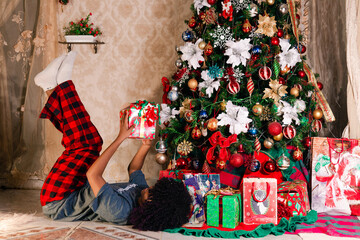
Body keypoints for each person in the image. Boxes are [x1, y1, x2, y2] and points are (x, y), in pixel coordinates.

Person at [35, 52, 192, 230]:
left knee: (88, 145)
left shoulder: (120, 211)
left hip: (58, 200)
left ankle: (59, 84)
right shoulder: (142, 193)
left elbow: (92, 175)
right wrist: (145, 146)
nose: (149, 190)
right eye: (155, 190)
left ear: (149, 209)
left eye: (151, 196)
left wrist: (120, 138)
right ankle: (51, 85)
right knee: (90, 142)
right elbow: (134, 169)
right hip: (75, 188)